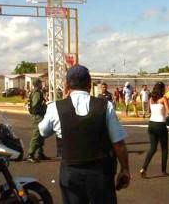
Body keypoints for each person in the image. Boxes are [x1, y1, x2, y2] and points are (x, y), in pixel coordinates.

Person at [39, 65, 130, 204]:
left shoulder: (55, 107)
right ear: (89, 83)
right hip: (101, 173)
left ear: (67, 85)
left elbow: (43, 131)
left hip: (71, 173)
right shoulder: (106, 106)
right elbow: (118, 143)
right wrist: (125, 169)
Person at [140, 82, 169, 178]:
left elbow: (149, 111)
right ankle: (163, 170)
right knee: (164, 149)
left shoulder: (151, 99)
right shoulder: (163, 99)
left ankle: (144, 168)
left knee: (152, 148)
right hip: (161, 124)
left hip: (151, 124)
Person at [27, 79, 49, 163]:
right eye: (41, 83)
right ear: (38, 84)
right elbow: (35, 106)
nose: (42, 84)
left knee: (41, 135)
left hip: (39, 116)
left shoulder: (37, 91)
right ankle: (30, 154)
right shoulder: (36, 93)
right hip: (37, 117)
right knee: (36, 135)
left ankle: (40, 153)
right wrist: (44, 107)